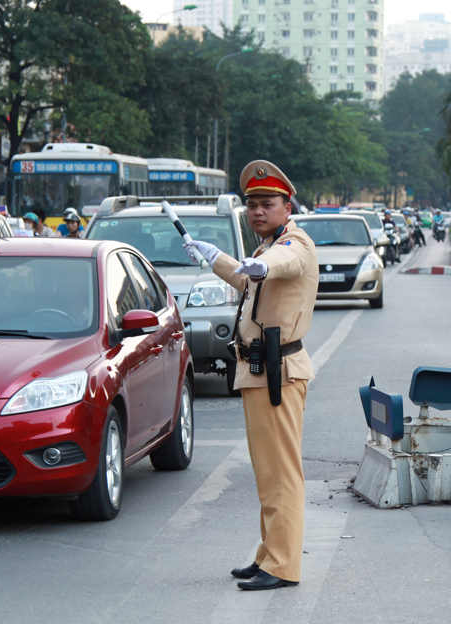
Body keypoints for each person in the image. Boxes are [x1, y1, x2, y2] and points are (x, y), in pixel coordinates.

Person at [184, 160, 318, 591]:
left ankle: (281, 565)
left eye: (267, 204)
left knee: (281, 473)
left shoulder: (293, 243)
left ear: (287, 206)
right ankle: (268, 555)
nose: (258, 211)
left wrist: (260, 266)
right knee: (267, 471)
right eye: (252, 205)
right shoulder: (265, 248)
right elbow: (251, 284)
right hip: (259, 370)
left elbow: (282, 264)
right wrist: (218, 259)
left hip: (278, 372)